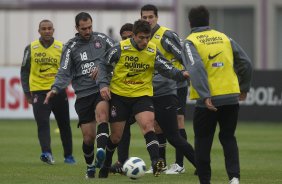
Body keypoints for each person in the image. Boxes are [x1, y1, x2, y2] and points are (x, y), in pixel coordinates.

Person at [97, 20, 190, 178]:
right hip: (120, 97)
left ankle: (156, 162)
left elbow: (166, 68)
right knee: (116, 137)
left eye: (147, 37)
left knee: (148, 126)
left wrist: (181, 74)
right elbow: (104, 64)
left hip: (142, 95)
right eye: (141, 38)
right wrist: (103, 85)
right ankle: (106, 164)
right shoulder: (120, 48)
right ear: (133, 36)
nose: (145, 41)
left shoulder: (152, 50)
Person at [182, 6, 253, 184]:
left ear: (190, 23)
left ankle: (205, 181)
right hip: (230, 96)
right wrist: (243, 88)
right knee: (228, 137)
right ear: (208, 22)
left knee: (203, 141)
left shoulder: (190, 42)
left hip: (208, 101)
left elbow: (196, 69)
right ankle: (234, 178)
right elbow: (246, 63)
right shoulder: (224, 37)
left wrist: (205, 95)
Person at [44, 12, 115, 179]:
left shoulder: (103, 39)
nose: (88, 31)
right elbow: (63, 72)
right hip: (83, 96)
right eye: (84, 28)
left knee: (102, 115)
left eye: (90, 27)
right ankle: (90, 166)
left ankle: (101, 152)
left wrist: (106, 69)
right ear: (77, 28)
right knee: (88, 138)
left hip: (100, 90)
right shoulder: (70, 47)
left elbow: (118, 56)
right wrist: (55, 89)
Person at [141, 4, 194, 174]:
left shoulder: (165, 35)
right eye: (144, 17)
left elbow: (183, 56)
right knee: (156, 125)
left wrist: (188, 75)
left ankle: (179, 165)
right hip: (155, 88)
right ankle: (161, 164)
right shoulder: (144, 37)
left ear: (157, 18)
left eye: (151, 17)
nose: (148, 20)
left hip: (175, 85)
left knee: (177, 124)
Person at [20, 19, 75, 165]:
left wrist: (61, 86)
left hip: (58, 92)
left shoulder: (61, 47)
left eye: (49, 28)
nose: (47, 31)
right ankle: (47, 153)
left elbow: (68, 70)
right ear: (39, 31)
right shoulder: (30, 48)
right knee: (42, 123)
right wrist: (27, 93)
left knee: (64, 125)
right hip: (38, 92)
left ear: (53, 30)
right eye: (44, 28)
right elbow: (24, 71)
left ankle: (68, 156)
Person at [109, 23, 135, 174]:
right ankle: (122, 162)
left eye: (129, 37)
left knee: (159, 129)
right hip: (121, 96)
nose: (126, 40)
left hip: (142, 96)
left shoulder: (145, 50)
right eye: (123, 37)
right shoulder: (117, 51)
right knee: (122, 129)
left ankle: (163, 162)